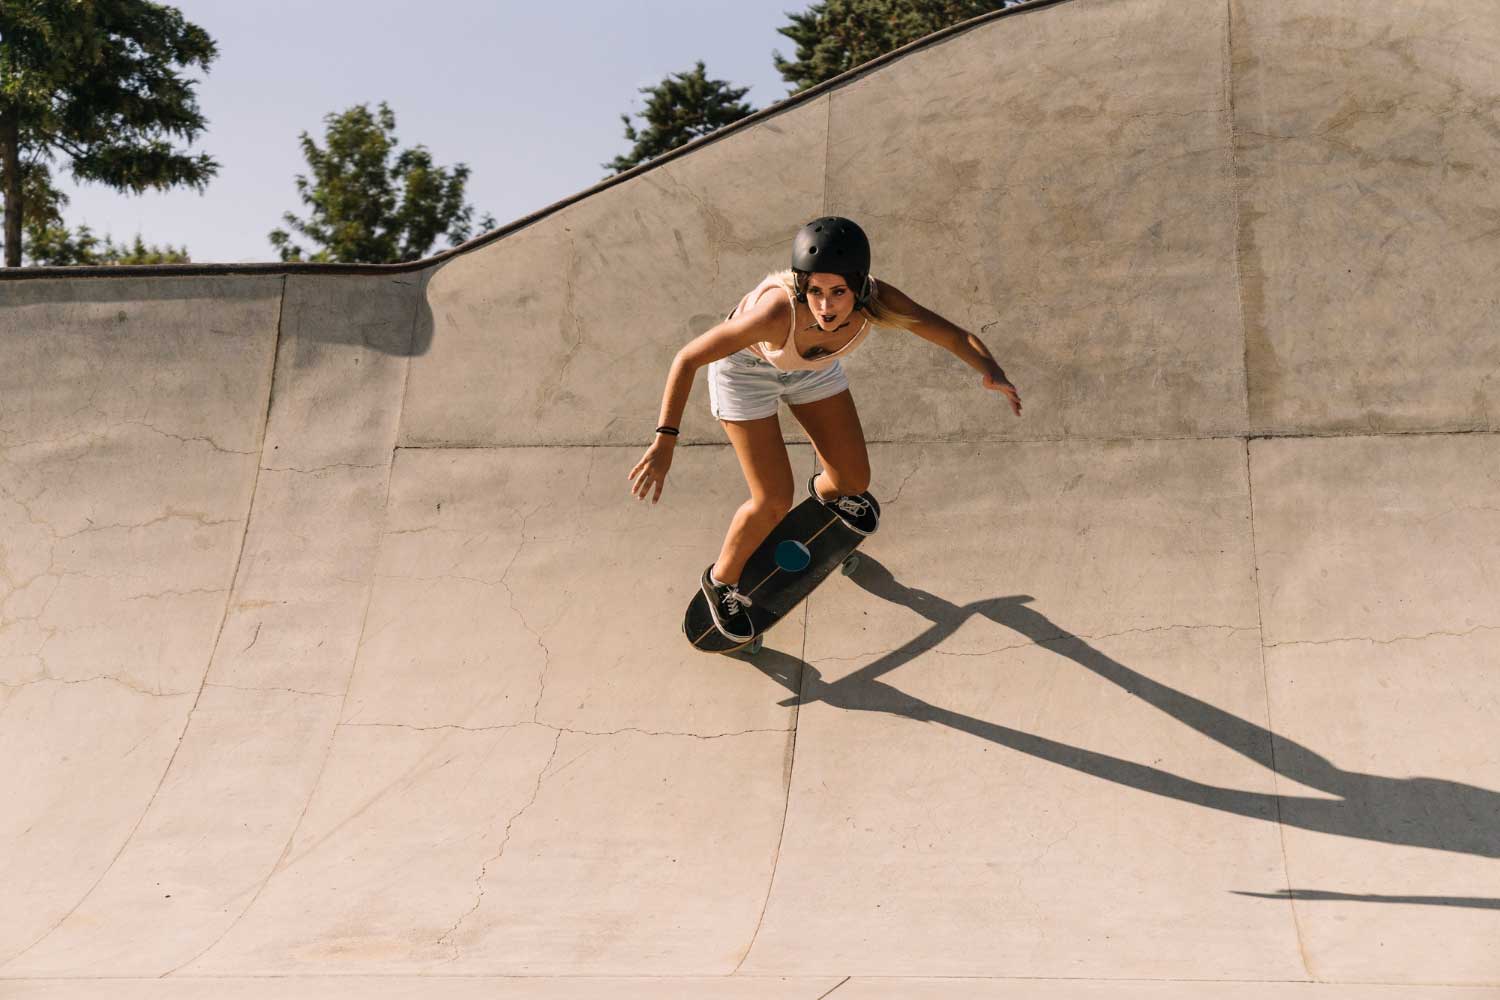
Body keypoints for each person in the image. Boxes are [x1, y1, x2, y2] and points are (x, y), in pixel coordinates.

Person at [628, 216, 1021, 642]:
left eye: (838, 293)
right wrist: (665, 439)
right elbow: (687, 358)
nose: (826, 307)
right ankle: (720, 583)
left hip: (812, 370)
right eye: (815, 292)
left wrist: (991, 369)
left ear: (859, 287)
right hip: (745, 372)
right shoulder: (776, 312)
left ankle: (826, 496)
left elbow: (952, 335)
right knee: (772, 499)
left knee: (854, 482)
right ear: (801, 286)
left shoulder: (880, 300)